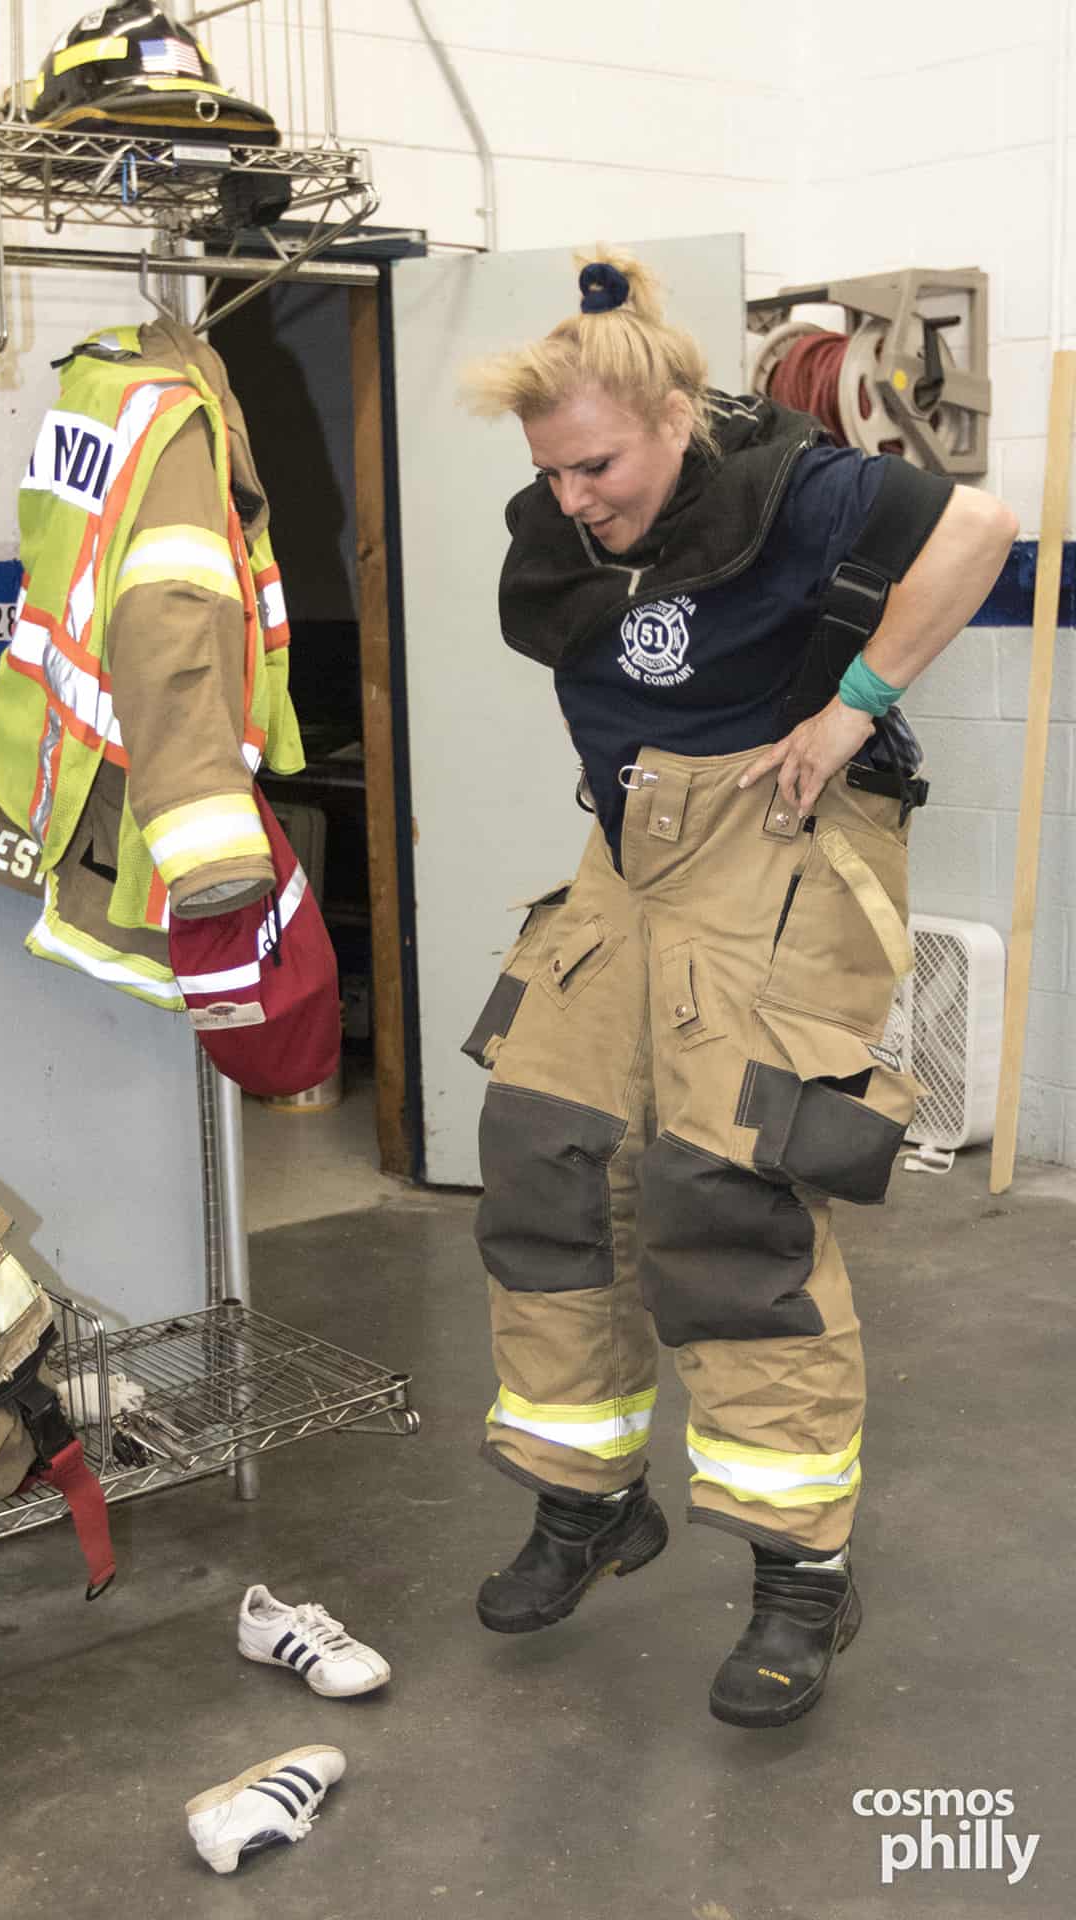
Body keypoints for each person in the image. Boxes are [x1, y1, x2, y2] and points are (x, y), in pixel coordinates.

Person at [458, 251, 1017, 1729]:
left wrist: (852, 712)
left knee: (726, 1198)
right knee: (545, 1156)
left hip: (781, 833)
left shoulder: (798, 486)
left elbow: (985, 527)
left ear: (671, 412)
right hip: (627, 855)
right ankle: (586, 1505)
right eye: (551, 474)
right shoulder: (561, 522)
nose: (572, 500)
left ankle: (802, 1573)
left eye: (597, 466)